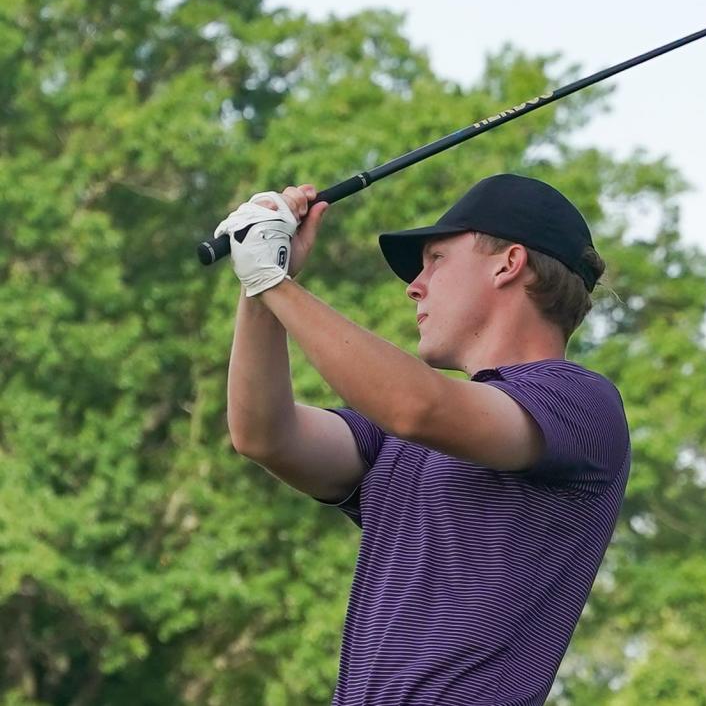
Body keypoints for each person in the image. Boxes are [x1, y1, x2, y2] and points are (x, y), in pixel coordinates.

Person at [215, 173, 631, 705]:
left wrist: (277, 286)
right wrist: (260, 286)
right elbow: (262, 434)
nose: (415, 284)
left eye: (436, 259)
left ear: (509, 264)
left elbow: (418, 407)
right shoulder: (400, 440)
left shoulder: (580, 404)